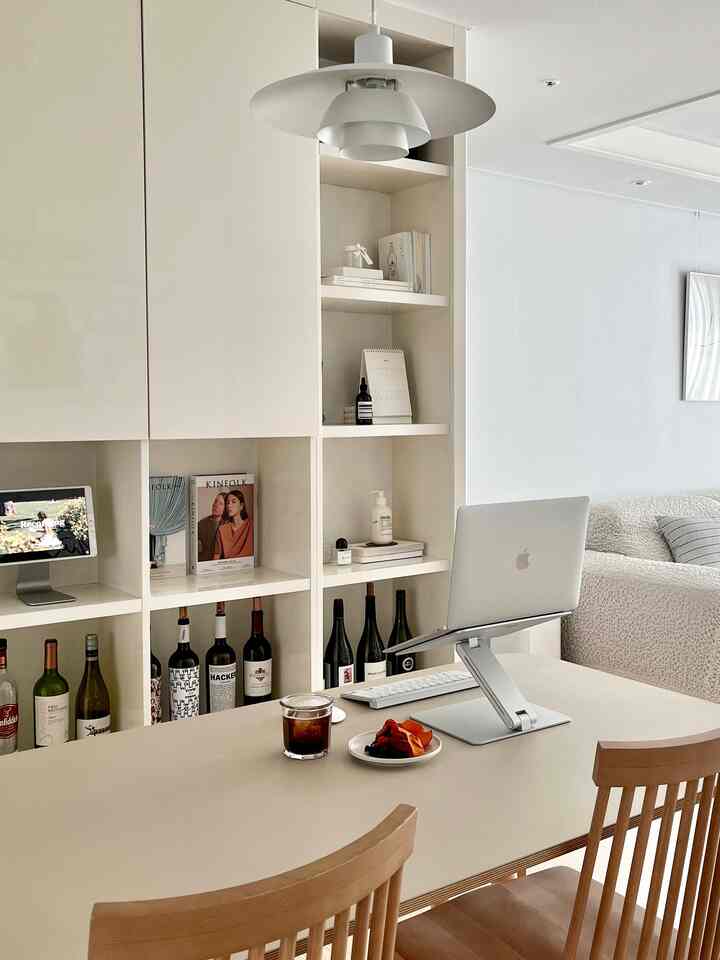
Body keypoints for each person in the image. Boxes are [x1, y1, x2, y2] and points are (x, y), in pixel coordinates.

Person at [213, 489, 253, 560]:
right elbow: (216, 555)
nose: (229, 505)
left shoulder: (250, 526)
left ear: (241, 506)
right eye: (227, 503)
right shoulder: (222, 529)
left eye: (233, 502)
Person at [197, 492, 226, 563]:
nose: (216, 505)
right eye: (215, 501)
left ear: (225, 509)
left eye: (221, 503)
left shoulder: (228, 524)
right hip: (204, 562)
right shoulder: (202, 523)